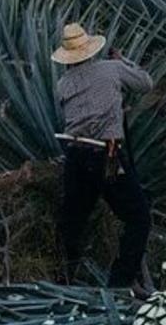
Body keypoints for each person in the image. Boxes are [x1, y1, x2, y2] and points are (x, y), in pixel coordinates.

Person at [51, 22, 154, 288]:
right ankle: (119, 284)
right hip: (105, 156)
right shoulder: (112, 68)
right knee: (139, 217)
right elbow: (145, 83)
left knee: (73, 221)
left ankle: (65, 280)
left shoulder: (62, 84)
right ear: (90, 49)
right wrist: (124, 60)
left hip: (75, 156)